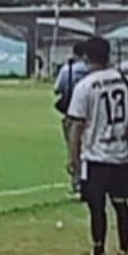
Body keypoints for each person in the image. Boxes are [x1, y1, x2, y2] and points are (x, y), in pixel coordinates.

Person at [66, 37, 128, 255]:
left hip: (96, 156)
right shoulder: (124, 81)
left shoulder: (85, 86)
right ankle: (123, 252)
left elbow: (76, 125)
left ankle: (98, 254)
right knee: (121, 203)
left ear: (86, 57)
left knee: (97, 206)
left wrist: (73, 158)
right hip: (122, 152)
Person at [55, 43, 90, 194]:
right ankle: (91, 180)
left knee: (74, 146)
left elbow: (57, 89)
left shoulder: (67, 69)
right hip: (92, 114)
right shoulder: (91, 71)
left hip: (72, 114)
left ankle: (77, 181)